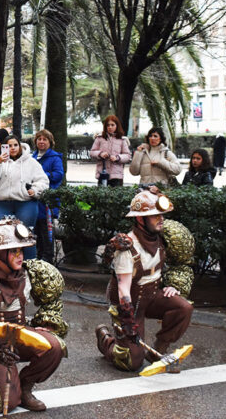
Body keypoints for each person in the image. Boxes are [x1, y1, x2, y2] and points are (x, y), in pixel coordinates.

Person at [0, 218, 65, 413]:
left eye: (21, 250)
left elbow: (51, 301)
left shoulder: (27, 277)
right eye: (13, 251)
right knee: (4, 404)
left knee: (55, 346)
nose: (20, 255)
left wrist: (44, 325)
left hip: (18, 337)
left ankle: (24, 388)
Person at [95, 188, 193, 371]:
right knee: (131, 362)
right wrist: (128, 318)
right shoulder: (126, 248)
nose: (161, 219)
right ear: (140, 219)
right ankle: (106, 340)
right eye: (155, 216)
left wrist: (173, 284)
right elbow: (123, 289)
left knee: (183, 308)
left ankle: (157, 351)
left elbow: (179, 263)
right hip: (131, 305)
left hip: (152, 295)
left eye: (161, 215)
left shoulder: (162, 237)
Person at [0, 135, 48, 260]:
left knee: (26, 236)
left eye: (15, 145)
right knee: (5, 236)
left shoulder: (31, 162)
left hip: (25, 203)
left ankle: (29, 267)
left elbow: (43, 180)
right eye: (8, 146)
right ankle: (7, 267)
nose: (12, 148)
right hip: (2, 203)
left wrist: (35, 190)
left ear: (19, 146)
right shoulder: (0, 161)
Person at [32, 129, 64, 263]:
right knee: (36, 232)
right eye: (39, 139)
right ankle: (38, 257)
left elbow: (58, 174)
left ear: (50, 142)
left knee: (47, 232)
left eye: (44, 139)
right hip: (34, 200)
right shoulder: (32, 157)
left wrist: (42, 176)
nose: (41, 142)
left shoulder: (55, 158)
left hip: (47, 202)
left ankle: (47, 258)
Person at [89, 115, 131, 187]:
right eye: (108, 125)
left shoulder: (122, 140)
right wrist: (100, 154)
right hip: (102, 173)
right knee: (102, 196)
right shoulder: (99, 138)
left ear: (117, 126)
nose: (110, 127)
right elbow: (92, 152)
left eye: (112, 125)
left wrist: (117, 158)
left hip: (116, 175)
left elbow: (127, 156)